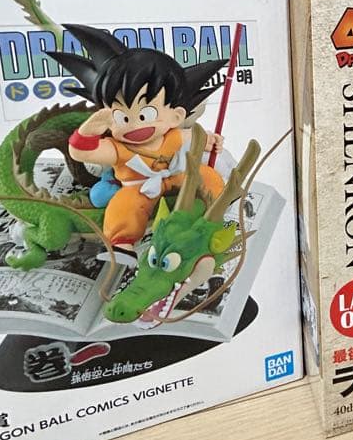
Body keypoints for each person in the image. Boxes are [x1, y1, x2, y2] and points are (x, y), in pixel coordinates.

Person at [53, 24, 227, 263]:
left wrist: (211, 141)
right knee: (124, 205)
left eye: (145, 115)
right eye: (122, 117)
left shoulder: (173, 135)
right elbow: (82, 152)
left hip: (176, 177)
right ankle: (122, 245)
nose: (133, 125)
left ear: (176, 116)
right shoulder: (119, 148)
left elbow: (195, 138)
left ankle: (213, 213)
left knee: (208, 177)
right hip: (138, 188)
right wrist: (90, 129)